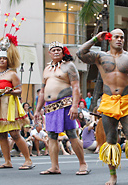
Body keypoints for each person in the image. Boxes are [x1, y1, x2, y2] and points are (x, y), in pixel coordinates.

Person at [76, 29, 128, 185]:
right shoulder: (100, 57)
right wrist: (96, 39)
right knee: (110, 140)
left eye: (122, 37)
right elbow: (80, 53)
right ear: (109, 39)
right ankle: (113, 175)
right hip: (108, 101)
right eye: (116, 37)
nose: (120, 39)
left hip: (126, 101)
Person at [34, 41, 89, 175]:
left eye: (59, 49)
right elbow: (42, 91)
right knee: (52, 136)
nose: (56, 52)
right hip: (50, 107)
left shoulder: (69, 66)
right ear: (49, 53)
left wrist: (75, 106)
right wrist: (37, 110)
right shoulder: (46, 69)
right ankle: (54, 166)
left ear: (62, 51)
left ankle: (83, 164)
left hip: (66, 105)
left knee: (71, 134)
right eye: (54, 50)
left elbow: (76, 87)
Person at [0, 35, 34, 170]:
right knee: (1, 134)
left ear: (8, 60)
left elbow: (19, 91)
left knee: (15, 134)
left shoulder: (12, 74)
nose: (1, 60)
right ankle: (7, 161)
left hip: (9, 106)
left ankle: (28, 160)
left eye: (4, 59)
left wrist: (10, 91)